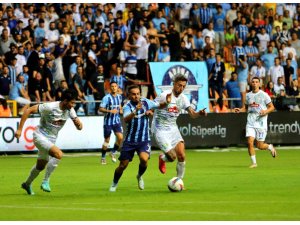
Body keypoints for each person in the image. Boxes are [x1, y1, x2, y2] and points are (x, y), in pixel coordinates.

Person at [15, 89, 83, 195]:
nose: (73, 105)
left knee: (41, 165)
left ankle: (27, 184)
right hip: (40, 135)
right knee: (58, 154)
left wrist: (79, 125)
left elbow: (79, 127)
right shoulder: (50, 107)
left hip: (51, 139)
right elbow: (28, 110)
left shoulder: (70, 110)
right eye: (72, 102)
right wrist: (20, 129)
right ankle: (45, 181)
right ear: (65, 101)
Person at [109, 85, 170, 192]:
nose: (136, 96)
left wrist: (167, 102)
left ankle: (139, 176)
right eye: (133, 94)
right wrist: (135, 111)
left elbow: (158, 105)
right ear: (129, 95)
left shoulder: (146, 102)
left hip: (144, 139)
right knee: (123, 165)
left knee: (144, 159)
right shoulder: (127, 106)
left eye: (138, 94)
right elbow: (126, 119)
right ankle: (114, 183)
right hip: (130, 141)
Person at [152, 75, 207, 181]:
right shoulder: (164, 95)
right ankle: (163, 158)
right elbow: (153, 105)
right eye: (179, 85)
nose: (181, 88)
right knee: (172, 157)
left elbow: (192, 114)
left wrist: (199, 113)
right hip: (160, 129)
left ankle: (179, 181)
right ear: (174, 84)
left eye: (183, 86)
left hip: (173, 129)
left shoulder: (184, 98)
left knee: (181, 156)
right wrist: (151, 110)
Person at [234, 77, 277, 168]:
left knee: (260, 146)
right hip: (250, 122)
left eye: (256, 82)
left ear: (259, 84)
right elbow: (246, 108)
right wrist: (240, 110)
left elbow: (272, 107)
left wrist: (265, 112)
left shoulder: (264, 95)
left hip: (261, 123)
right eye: (253, 82)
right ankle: (254, 163)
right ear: (251, 83)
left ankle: (270, 147)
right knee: (250, 142)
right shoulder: (248, 95)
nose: (254, 83)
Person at [98, 82, 123, 165]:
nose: (114, 88)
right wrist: (109, 111)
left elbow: (119, 106)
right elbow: (100, 109)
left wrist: (121, 110)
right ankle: (103, 157)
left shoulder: (119, 97)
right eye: (112, 86)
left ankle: (113, 152)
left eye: (115, 86)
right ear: (110, 88)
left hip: (116, 121)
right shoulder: (106, 98)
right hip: (108, 122)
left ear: (117, 87)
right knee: (107, 140)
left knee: (120, 137)